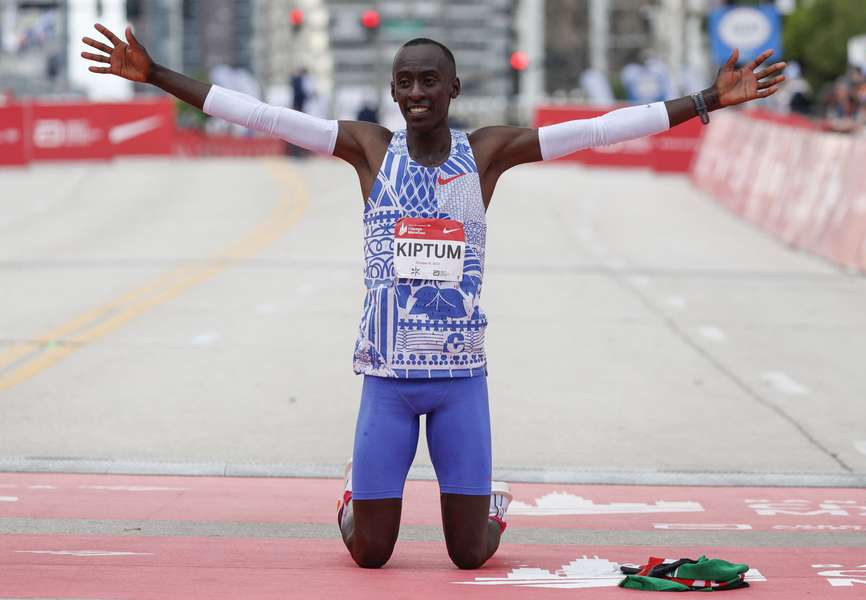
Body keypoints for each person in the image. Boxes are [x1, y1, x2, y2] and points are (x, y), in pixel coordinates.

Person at [81, 23, 785, 570]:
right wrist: (154, 78)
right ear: (393, 91)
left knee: (469, 553)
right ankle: (356, 491)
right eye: (405, 82)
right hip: (386, 383)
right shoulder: (365, 149)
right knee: (370, 552)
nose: (416, 93)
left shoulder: (485, 154)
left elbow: (597, 131)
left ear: (453, 89)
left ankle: (492, 503)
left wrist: (705, 101)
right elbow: (259, 115)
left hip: (459, 385)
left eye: (430, 82)